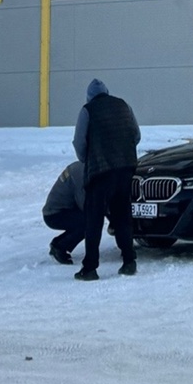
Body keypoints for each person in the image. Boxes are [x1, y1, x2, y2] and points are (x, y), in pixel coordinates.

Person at [72, 77, 140, 280]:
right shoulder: (123, 105)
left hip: (100, 172)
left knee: (94, 219)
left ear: (89, 96)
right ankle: (129, 261)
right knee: (122, 216)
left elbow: (79, 143)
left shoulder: (87, 110)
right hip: (126, 168)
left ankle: (90, 268)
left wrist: (87, 159)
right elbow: (136, 135)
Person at [43, 156, 86, 265]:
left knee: (87, 220)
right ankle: (60, 247)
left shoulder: (78, 166)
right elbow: (85, 205)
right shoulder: (81, 174)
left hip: (56, 210)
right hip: (55, 214)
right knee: (89, 222)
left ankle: (58, 243)